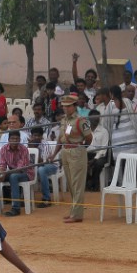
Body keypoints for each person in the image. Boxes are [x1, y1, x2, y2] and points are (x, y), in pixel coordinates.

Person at [49, 94, 92, 223]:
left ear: (74, 106)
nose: (65, 109)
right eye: (64, 107)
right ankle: (74, 211)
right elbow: (61, 138)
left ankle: (77, 214)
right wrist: (54, 153)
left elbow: (89, 137)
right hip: (65, 151)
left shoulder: (81, 120)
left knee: (77, 183)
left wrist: (81, 147)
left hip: (76, 150)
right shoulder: (64, 120)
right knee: (71, 184)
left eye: (68, 106)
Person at [0, 130, 33, 217]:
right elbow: (2, 164)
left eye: (17, 138)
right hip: (11, 172)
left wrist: (5, 173)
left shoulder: (23, 149)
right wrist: (1, 173)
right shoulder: (3, 149)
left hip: (26, 173)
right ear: (9, 140)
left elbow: (20, 168)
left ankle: (16, 208)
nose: (14, 140)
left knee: (13, 177)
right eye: (12, 138)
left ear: (20, 139)